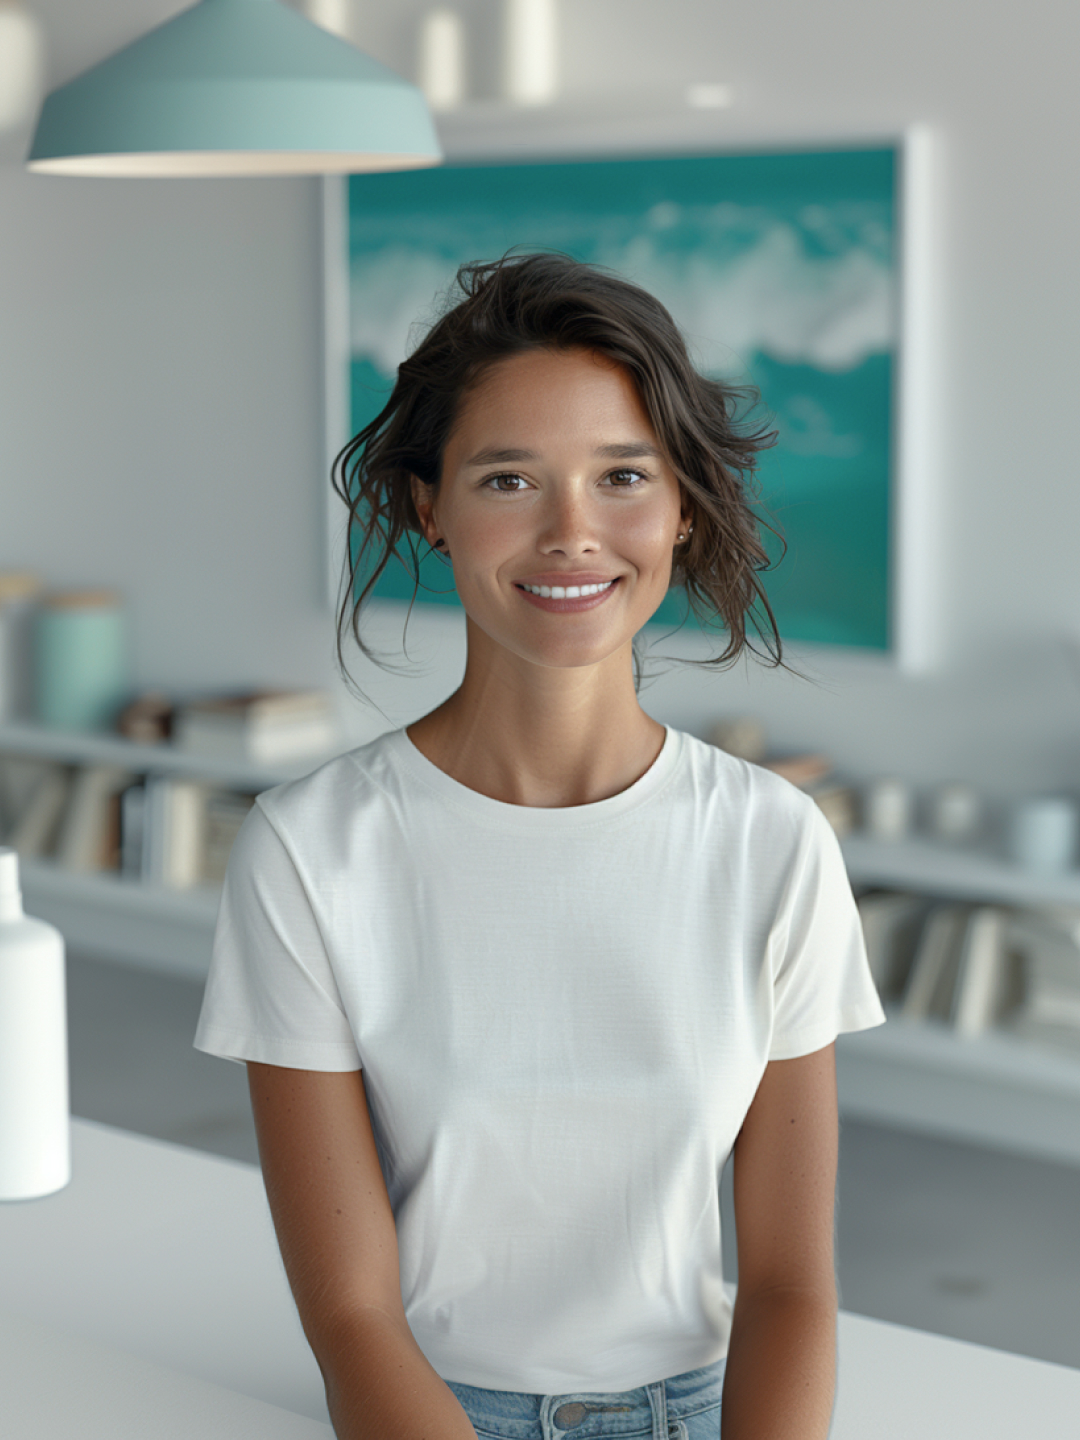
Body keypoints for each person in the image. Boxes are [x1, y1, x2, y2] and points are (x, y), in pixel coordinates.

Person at [194, 251, 886, 1440]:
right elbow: (352, 1317)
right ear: (430, 508)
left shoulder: (773, 842)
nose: (574, 533)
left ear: (680, 504)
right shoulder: (313, 852)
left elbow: (789, 1287)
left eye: (623, 475)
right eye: (509, 479)